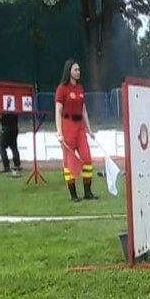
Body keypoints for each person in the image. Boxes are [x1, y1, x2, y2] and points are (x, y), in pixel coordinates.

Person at [55, 59, 97, 203]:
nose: (78, 72)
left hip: (80, 127)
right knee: (69, 161)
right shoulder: (62, 89)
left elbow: (84, 110)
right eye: (75, 70)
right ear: (69, 72)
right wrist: (59, 133)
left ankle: (88, 192)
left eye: (79, 70)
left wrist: (89, 129)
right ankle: (73, 195)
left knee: (87, 158)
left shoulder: (80, 88)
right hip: (68, 125)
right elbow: (58, 111)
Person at [0, 113, 22, 177]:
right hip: (15, 129)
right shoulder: (14, 111)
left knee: (1, 147)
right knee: (14, 147)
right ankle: (17, 165)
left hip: (6, 129)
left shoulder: (4, 110)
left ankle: (6, 166)